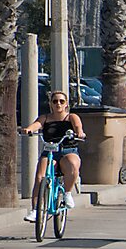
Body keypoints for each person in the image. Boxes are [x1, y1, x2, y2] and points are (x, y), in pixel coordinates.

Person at [20, 91, 86, 221]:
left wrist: (79, 133)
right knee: (40, 177)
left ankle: (67, 193)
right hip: (50, 151)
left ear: (66, 104)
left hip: (68, 150)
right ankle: (35, 210)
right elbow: (36, 125)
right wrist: (28, 129)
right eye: (55, 101)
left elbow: (78, 127)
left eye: (61, 101)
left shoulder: (71, 117)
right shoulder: (45, 117)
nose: (58, 104)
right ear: (50, 104)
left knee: (72, 165)